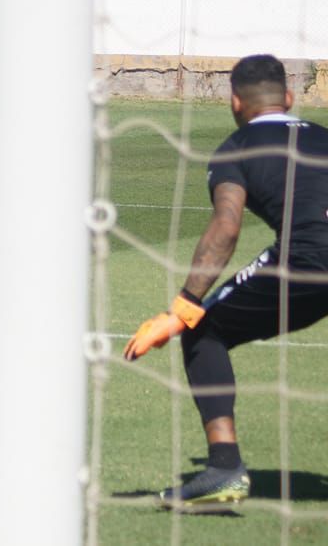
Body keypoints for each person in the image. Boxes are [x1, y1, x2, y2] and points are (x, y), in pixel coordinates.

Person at [123, 54, 328, 508]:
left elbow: (226, 228)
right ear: (289, 98)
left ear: (235, 102)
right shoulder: (323, 135)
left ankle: (223, 468)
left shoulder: (236, 148)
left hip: (309, 260)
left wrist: (183, 306)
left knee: (203, 330)